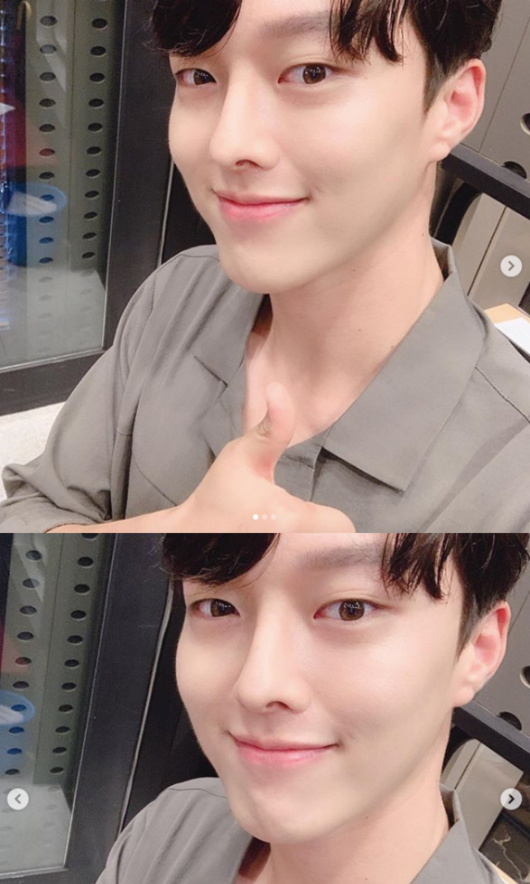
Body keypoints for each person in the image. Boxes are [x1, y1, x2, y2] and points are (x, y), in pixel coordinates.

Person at [1, 531, 530, 884]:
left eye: (350, 608)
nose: (256, 685)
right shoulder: (173, 826)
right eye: (217, 606)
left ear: (477, 649)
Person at [1, 0, 530, 534]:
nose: (228, 144)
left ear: (451, 107)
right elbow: (33, 508)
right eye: (198, 75)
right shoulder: (179, 293)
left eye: (311, 72)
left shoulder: (511, 475)